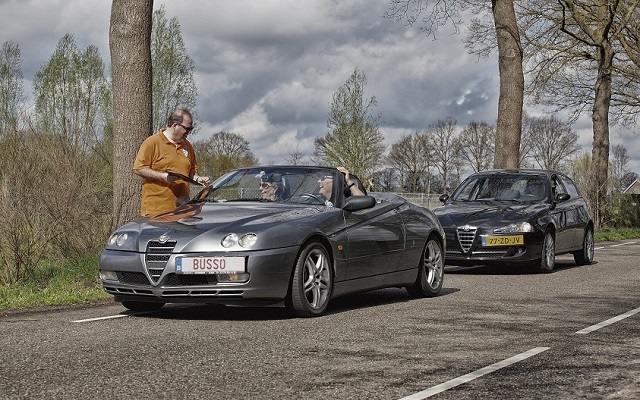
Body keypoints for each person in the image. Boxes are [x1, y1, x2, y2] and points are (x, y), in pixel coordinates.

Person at [133, 108, 210, 217]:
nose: (190, 132)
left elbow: (191, 172)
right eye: (187, 129)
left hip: (182, 211)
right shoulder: (152, 142)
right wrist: (163, 176)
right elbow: (139, 168)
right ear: (175, 126)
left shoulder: (188, 146)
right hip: (155, 212)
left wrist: (198, 179)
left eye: (191, 128)